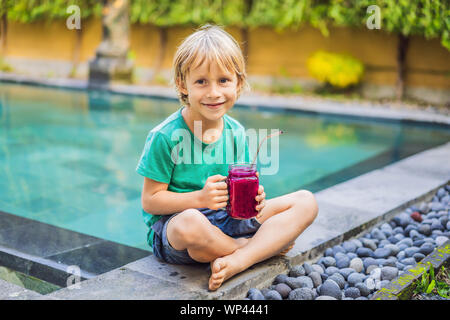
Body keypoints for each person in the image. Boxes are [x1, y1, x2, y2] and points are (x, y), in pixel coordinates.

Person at [136, 24, 319, 291]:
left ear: (239, 83)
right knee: (190, 224)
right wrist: (199, 198)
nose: (213, 92)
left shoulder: (236, 132)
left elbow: (243, 187)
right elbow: (150, 201)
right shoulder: (165, 136)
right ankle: (249, 250)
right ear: (182, 84)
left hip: (227, 219)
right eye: (201, 81)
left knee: (306, 201)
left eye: (223, 80)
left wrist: (255, 200)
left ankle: (238, 259)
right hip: (180, 232)